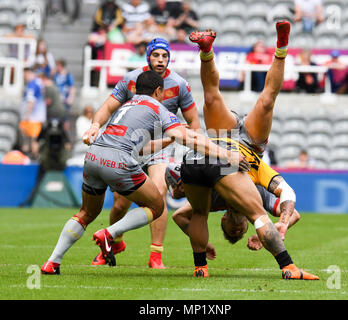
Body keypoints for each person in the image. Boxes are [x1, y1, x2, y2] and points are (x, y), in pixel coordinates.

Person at [41, 70, 248, 274]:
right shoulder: (158, 108)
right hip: (119, 160)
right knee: (156, 206)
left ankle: (52, 262)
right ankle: (110, 233)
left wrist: (168, 140)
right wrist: (227, 156)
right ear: (159, 91)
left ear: (137, 89)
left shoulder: (126, 106)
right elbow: (191, 139)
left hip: (94, 155)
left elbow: (140, 149)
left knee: (86, 213)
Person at [181, 23, 319, 280]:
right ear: (246, 226)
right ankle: (281, 47)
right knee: (266, 101)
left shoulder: (216, 202)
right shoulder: (255, 199)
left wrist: (178, 183)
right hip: (251, 145)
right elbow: (292, 207)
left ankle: (206, 50)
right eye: (238, 231)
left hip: (220, 140)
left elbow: (181, 216)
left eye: (231, 230)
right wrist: (278, 226)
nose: (235, 227)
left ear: (222, 221)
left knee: (211, 98)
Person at [82, 38, 200, 269]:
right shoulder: (130, 79)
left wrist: (191, 152)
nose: (161, 60)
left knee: (159, 192)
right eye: (156, 55)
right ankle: (114, 243)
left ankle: (156, 255)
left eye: (165, 56)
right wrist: (95, 125)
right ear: (148, 57)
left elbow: (193, 119)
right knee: (119, 204)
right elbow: (107, 107)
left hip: (161, 146)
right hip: (130, 147)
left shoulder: (180, 84)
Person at [165, 162, 301, 254]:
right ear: (248, 222)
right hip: (248, 160)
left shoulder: (213, 201)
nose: (237, 229)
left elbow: (178, 216)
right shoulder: (258, 198)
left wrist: (200, 241)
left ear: (224, 219)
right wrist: (268, 233)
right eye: (240, 231)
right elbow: (294, 214)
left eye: (232, 231)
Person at [19, 68, 46, 160]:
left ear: (29, 73)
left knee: (31, 139)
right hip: (37, 117)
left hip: (32, 118)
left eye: (25, 75)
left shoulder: (32, 85)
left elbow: (31, 102)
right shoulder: (38, 83)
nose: (24, 77)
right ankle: (33, 157)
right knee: (33, 139)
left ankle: (32, 159)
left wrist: (26, 115)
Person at [53, 59, 76, 130]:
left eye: (58, 65)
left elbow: (72, 87)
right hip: (57, 99)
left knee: (65, 118)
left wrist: (70, 98)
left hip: (65, 99)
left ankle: (66, 134)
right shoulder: (55, 75)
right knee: (56, 117)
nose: (57, 67)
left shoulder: (68, 75)